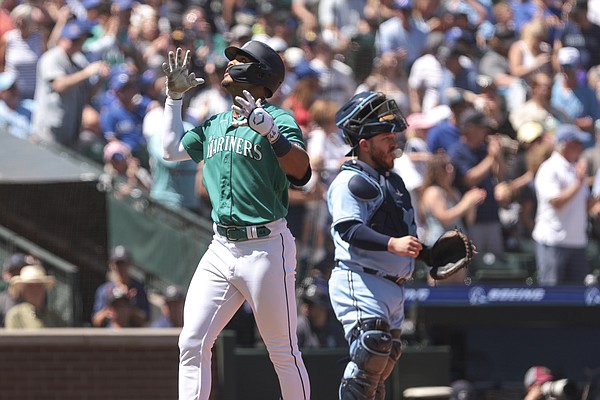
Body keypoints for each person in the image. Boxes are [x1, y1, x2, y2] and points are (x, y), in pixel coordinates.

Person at [160, 41, 312, 400]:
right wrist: (174, 99)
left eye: (241, 59)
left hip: (265, 248)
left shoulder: (280, 120)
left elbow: (302, 172)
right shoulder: (215, 123)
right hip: (221, 247)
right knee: (192, 342)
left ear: (262, 73)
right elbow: (169, 150)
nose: (230, 65)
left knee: (283, 352)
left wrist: (272, 133)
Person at [327, 91, 421, 399]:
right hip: (361, 277)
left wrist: (430, 254)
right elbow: (348, 229)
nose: (393, 141)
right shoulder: (350, 181)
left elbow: (400, 235)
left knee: (380, 369)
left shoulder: (392, 182)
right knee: (372, 351)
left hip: (392, 285)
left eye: (393, 134)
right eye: (385, 136)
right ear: (364, 145)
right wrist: (394, 244)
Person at [30, 19, 110, 149]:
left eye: (81, 40)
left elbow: (88, 94)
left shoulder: (79, 60)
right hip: (49, 130)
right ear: (64, 39)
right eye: (76, 40)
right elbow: (59, 85)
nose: (79, 44)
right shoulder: (52, 58)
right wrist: (86, 73)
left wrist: (101, 79)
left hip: (71, 129)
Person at [532, 124, 594, 286]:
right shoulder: (549, 169)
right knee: (552, 298)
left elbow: (585, 206)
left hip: (577, 243)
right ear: (566, 144)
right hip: (553, 243)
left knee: (577, 299)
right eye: (578, 143)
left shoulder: (575, 169)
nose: (581, 148)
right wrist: (579, 182)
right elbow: (557, 202)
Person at [91, 245, 150, 327]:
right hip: (110, 334)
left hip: (133, 334)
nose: (120, 267)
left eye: (123, 263)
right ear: (111, 264)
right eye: (117, 263)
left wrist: (128, 307)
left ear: (129, 263)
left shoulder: (138, 288)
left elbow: (145, 319)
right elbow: (96, 321)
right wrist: (112, 308)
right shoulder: (104, 290)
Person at [4, 264, 67, 329]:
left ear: (44, 289)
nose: (35, 291)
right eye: (30, 287)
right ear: (24, 290)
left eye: (38, 286)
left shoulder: (54, 318)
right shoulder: (16, 315)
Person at [296, 272, 346, 348]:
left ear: (323, 306)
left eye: (310, 303)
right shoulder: (298, 328)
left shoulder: (337, 330)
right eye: (304, 301)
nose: (305, 306)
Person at [0, 252, 29, 327]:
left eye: (21, 272)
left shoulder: (34, 299)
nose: (17, 276)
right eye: (14, 273)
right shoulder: (1, 300)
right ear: (6, 275)